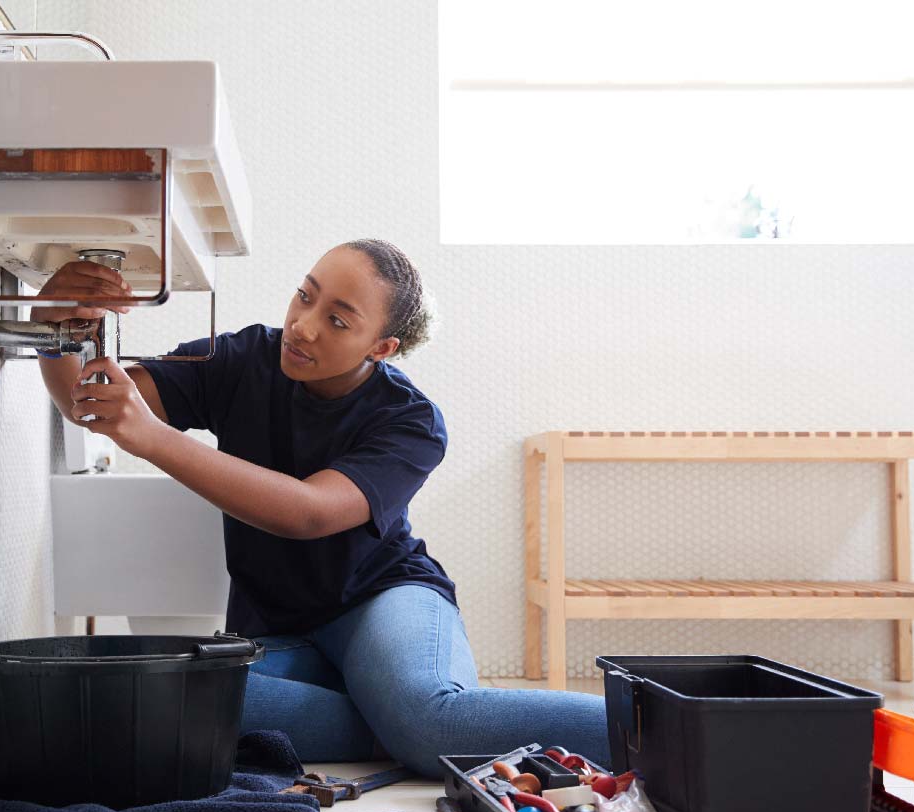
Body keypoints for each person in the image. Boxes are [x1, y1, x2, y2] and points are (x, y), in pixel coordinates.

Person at [32, 239, 608, 776]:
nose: (303, 327)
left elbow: (307, 512)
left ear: (381, 348)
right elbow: (91, 403)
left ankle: (659, 721)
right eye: (305, 296)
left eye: (337, 320)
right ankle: (390, 720)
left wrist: (153, 437)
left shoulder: (411, 421)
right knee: (165, 699)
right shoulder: (244, 358)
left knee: (431, 719)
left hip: (382, 598)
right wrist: (55, 325)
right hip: (279, 626)